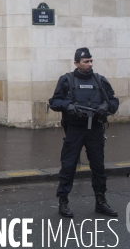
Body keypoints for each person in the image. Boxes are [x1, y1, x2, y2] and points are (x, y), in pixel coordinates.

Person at [48, 47, 119, 218]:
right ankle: (63, 201)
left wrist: (106, 107)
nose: (89, 64)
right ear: (76, 63)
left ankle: (101, 202)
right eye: (86, 61)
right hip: (75, 129)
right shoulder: (67, 80)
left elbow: (114, 101)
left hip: (95, 128)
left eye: (91, 61)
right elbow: (54, 101)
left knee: (98, 167)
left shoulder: (100, 80)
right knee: (68, 166)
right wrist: (68, 105)